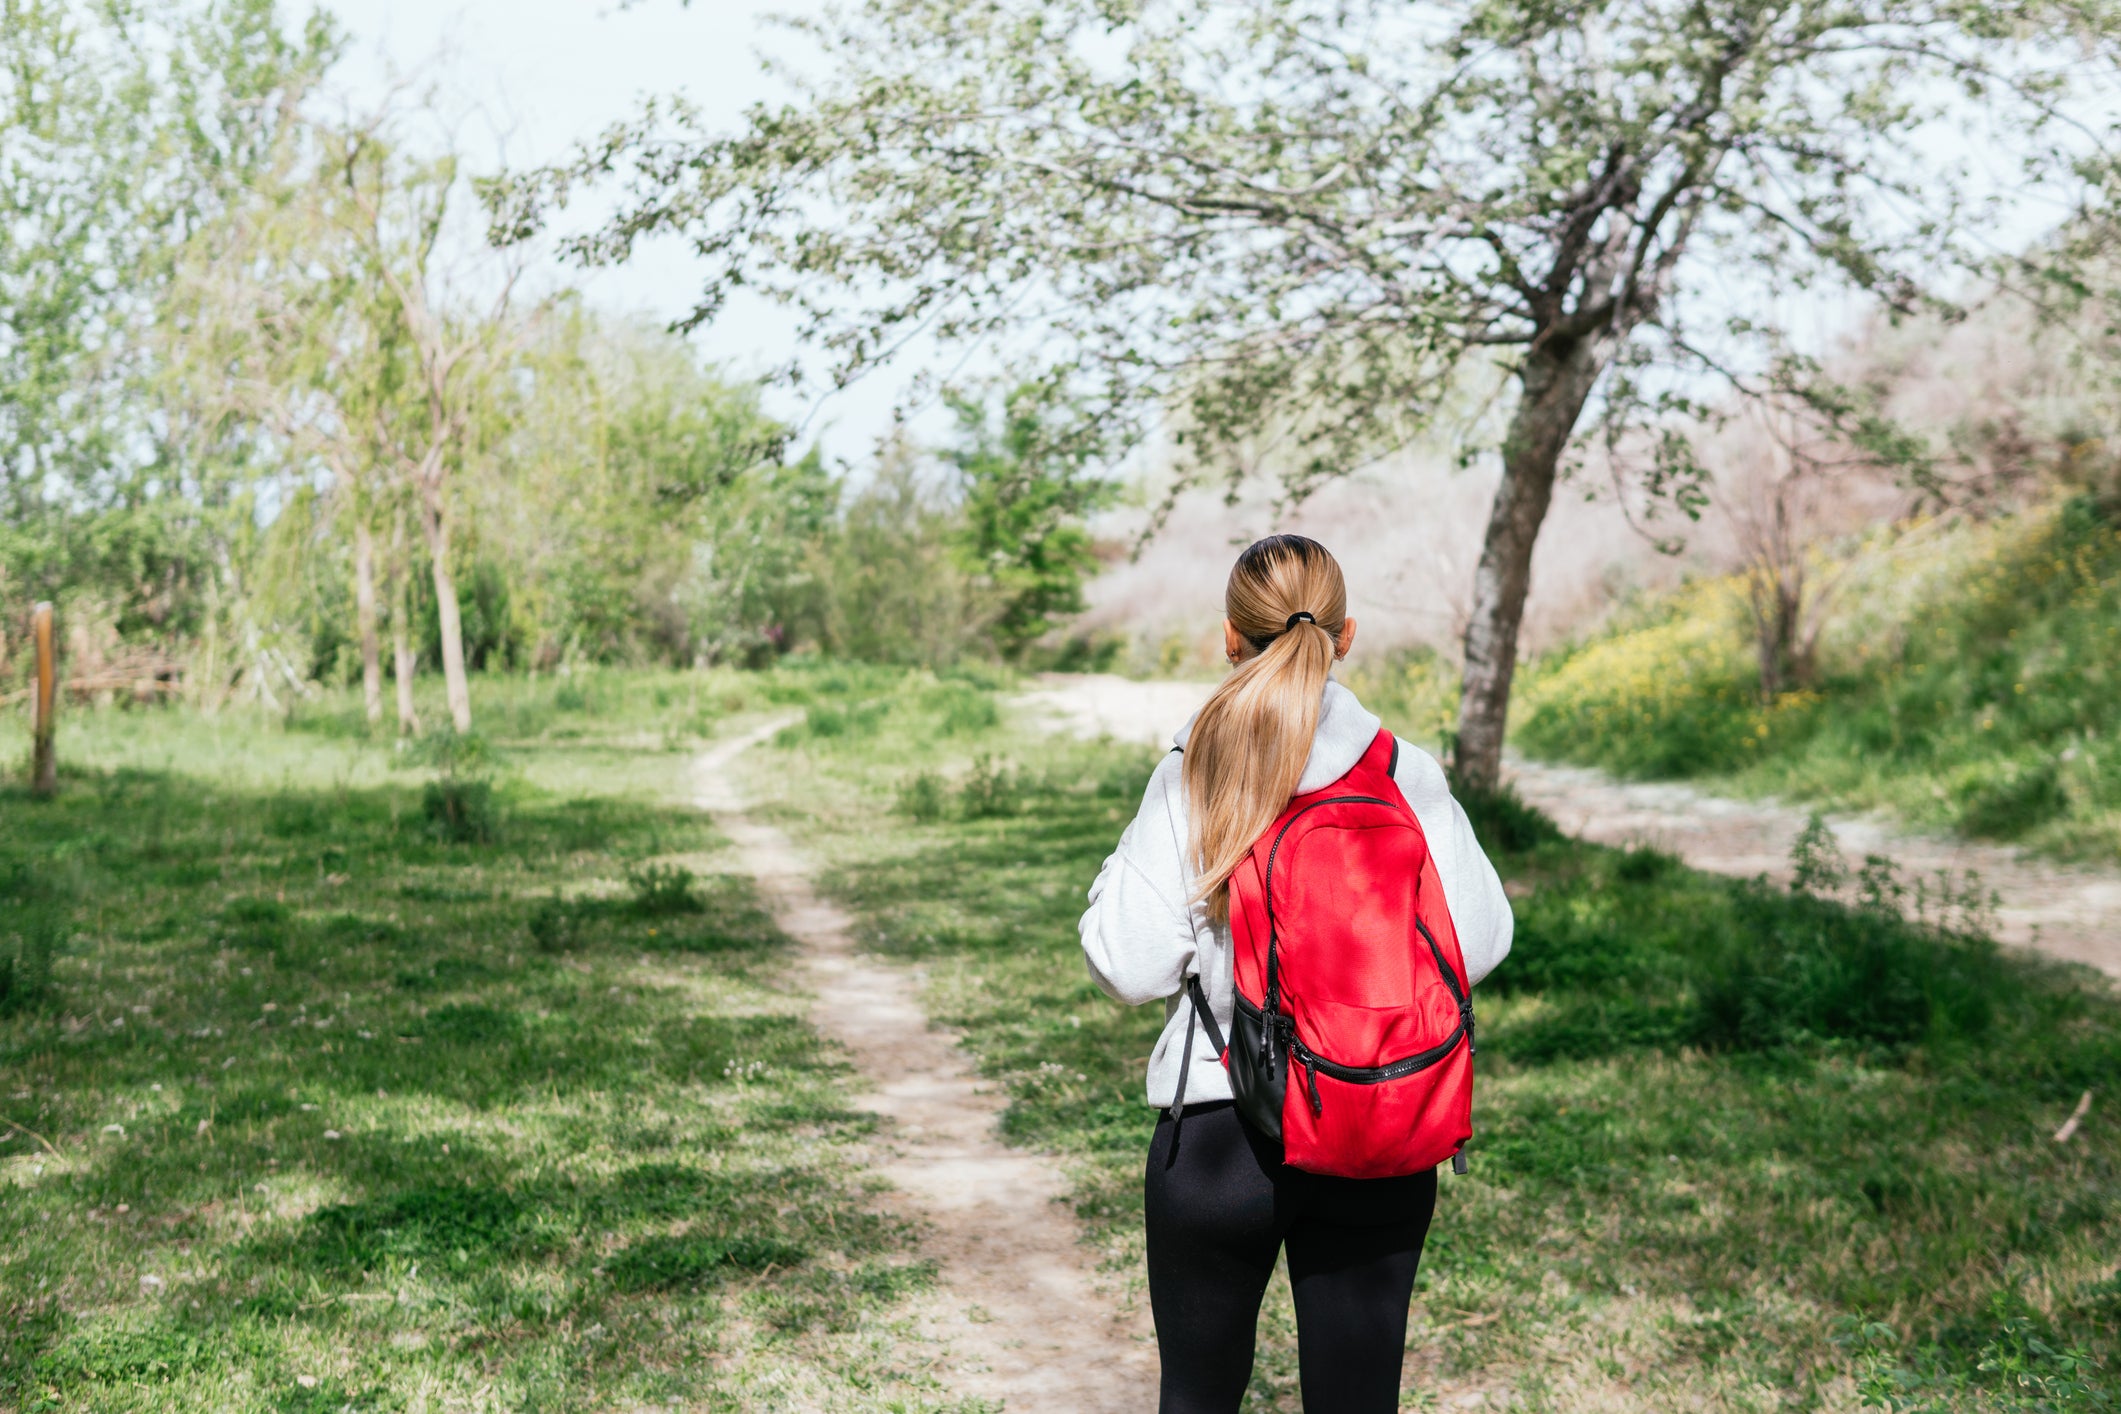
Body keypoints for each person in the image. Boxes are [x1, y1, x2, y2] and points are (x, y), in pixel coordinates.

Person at [1080, 534, 1513, 1414]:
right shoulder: (1403, 772)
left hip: (1222, 1131)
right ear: (1345, 634)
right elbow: (1483, 937)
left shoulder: (1195, 770)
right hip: (1379, 1117)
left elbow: (1127, 964)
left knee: (1197, 1398)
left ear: (1230, 640)